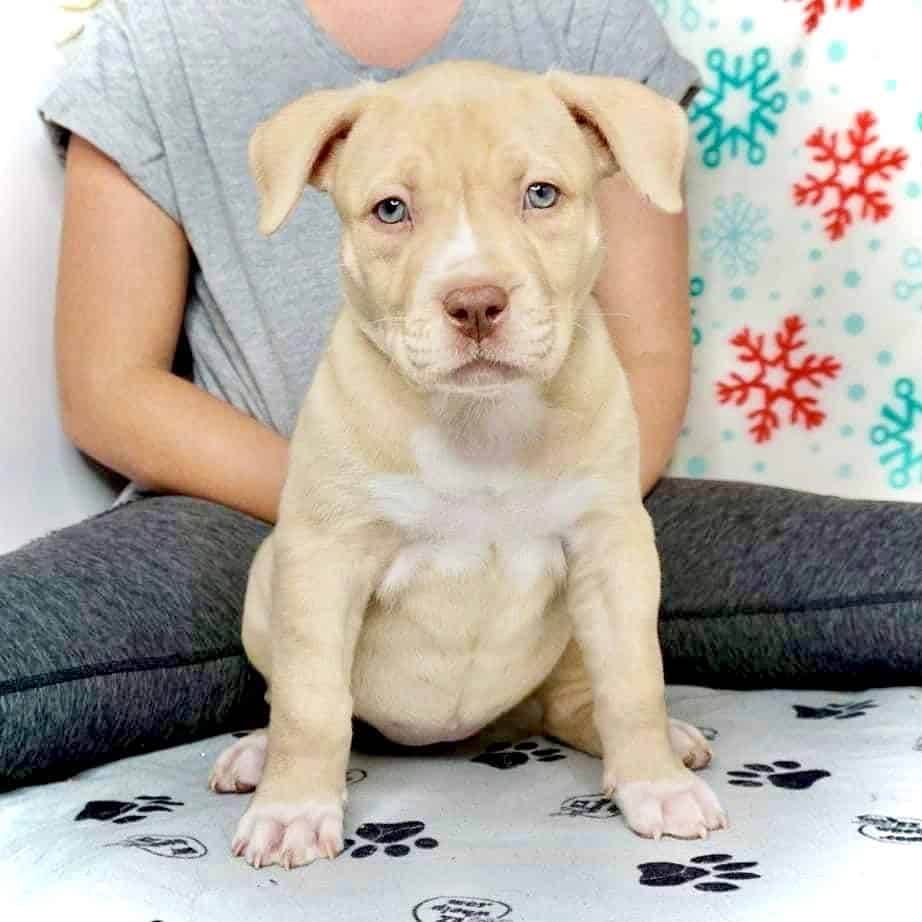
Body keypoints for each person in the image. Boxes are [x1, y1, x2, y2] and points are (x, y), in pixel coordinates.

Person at [1, 0, 918, 792]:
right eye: (395, 210)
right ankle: (316, 713)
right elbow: (107, 389)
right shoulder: (156, 34)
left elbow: (643, 356)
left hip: (570, 472)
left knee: (854, 566)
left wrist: (535, 519)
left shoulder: (585, 21)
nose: (471, 284)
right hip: (258, 506)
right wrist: (360, 501)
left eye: (541, 195)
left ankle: (567, 699)